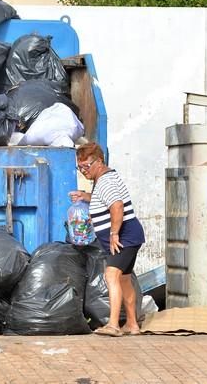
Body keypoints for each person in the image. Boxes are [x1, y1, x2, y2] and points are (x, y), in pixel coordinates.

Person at [69, 142, 145, 337]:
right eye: (80, 167)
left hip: (124, 237)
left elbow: (117, 206)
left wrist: (114, 234)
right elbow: (104, 199)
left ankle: (113, 324)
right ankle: (132, 324)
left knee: (111, 275)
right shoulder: (104, 179)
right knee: (125, 280)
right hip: (130, 236)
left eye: (86, 166)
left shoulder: (106, 181)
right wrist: (86, 197)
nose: (83, 171)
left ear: (99, 162)